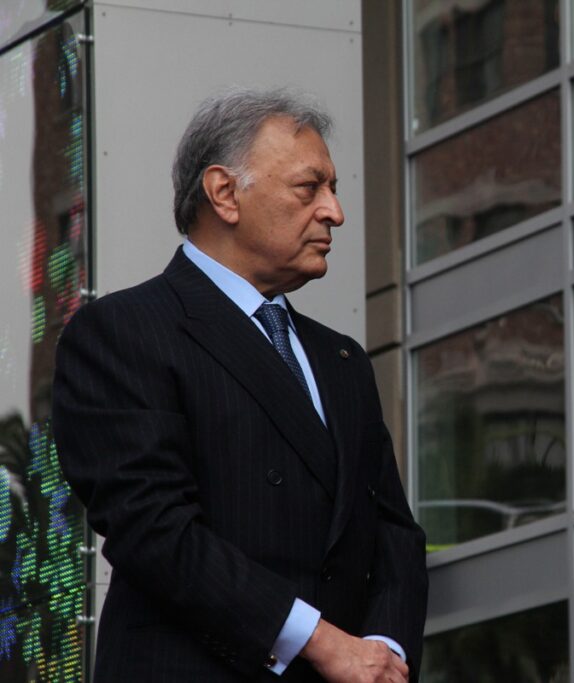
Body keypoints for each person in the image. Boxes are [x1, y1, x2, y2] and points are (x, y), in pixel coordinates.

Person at [51, 88, 427, 683]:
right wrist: (324, 644)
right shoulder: (122, 331)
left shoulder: (343, 357)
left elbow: (393, 534)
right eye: (310, 188)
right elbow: (157, 532)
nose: (334, 212)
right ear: (224, 192)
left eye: (334, 189)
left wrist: (383, 652)